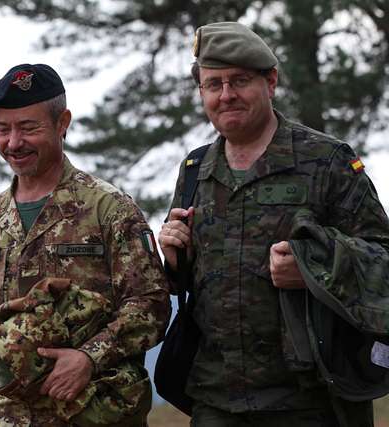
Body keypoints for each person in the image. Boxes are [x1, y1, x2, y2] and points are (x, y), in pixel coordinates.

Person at [158, 21, 389, 426]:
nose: (226, 95)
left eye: (240, 81)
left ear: (271, 82)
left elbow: (383, 263)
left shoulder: (327, 160)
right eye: (214, 84)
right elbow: (193, 284)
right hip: (216, 400)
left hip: (311, 402)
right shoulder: (195, 169)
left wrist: (313, 268)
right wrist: (176, 259)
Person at [0, 63, 170, 427]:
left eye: (28, 128)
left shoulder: (108, 208)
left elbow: (151, 305)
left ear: (62, 123)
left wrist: (90, 357)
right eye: (2, 129)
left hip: (91, 411)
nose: (13, 143)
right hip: (6, 416)